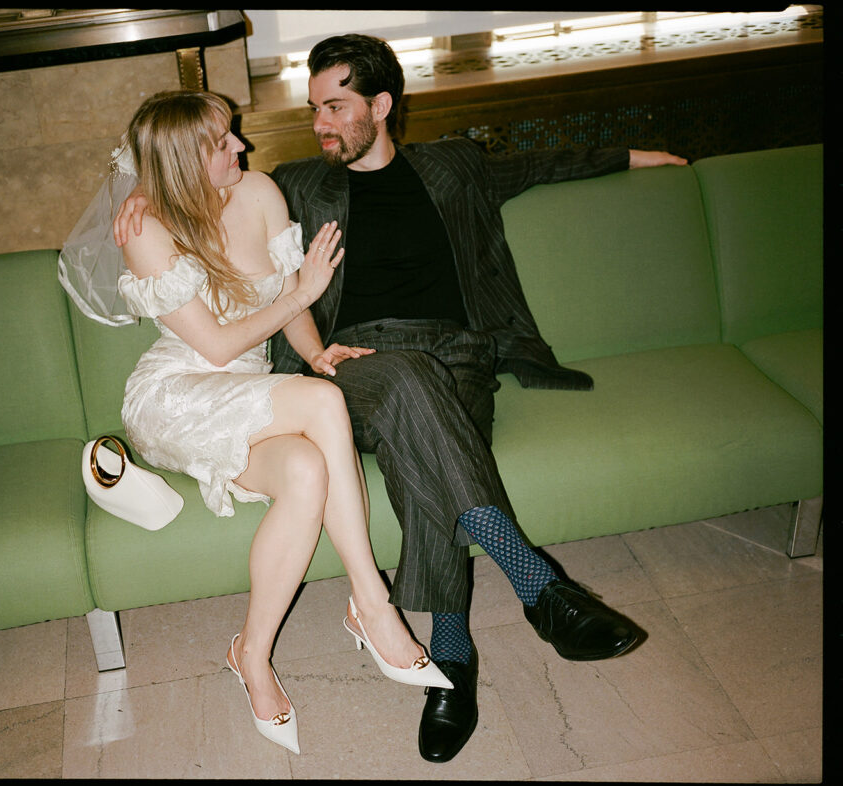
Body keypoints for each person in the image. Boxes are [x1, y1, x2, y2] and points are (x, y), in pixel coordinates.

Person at [114, 35, 689, 763]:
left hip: (455, 360)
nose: (318, 123)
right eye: (313, 106)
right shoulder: (293, 183)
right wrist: (146, 190)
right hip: (352, 366)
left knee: (428, 427)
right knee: (410, 393)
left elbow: (542, 164)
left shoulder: (453, 167)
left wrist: (639, 157)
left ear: (380, 107)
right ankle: (533, 589)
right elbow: (183, 192)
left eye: (335, 107)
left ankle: (454, 663)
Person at [60, 90, 454, 756]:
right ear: (186, 159)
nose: (241, 146)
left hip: (249, 391)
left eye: (234, 135)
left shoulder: (262, 192)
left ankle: (251, 652)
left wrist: (314, 350)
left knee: (306, 471)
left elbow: (282, 296)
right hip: (179, 394)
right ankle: (372, 602)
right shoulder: (146, 228)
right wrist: (302, 295)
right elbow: (214, 347)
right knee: (324, 404)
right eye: (222, 142)